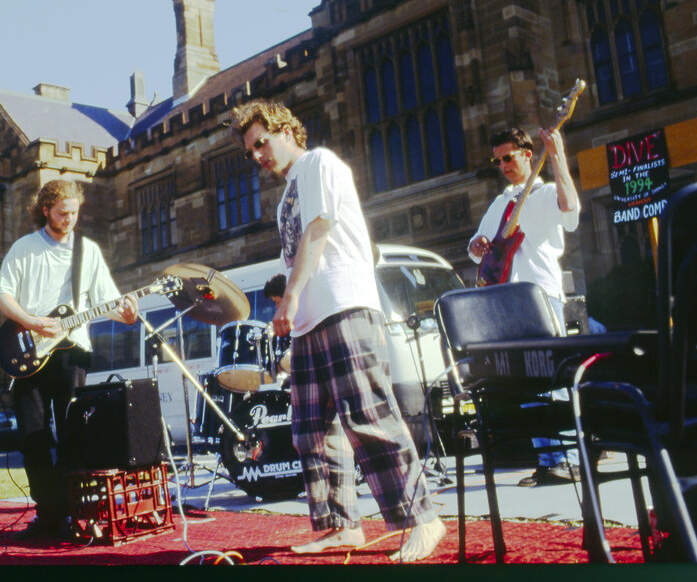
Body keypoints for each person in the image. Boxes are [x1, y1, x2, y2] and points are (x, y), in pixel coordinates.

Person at [231, 100, 445, 562]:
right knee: (311, 432)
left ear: (285, 129)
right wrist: (294, 305)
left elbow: (320, 228)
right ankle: (339, 527)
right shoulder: (287, 192)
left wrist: (289, 297)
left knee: (370, 417)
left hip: (344, 308)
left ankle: (421, 518)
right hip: (310, 322)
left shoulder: (317, 163)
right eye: (251, 152)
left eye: (261, 143)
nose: (257, 156)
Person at [0, 179, 138, 540]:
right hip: (27, 351)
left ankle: (76, 514)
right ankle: (48, 515)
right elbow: (1, 296)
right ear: (45, 210)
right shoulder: (24, 248)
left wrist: (128, 314)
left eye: (74, 212)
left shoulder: (87, 251)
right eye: (62, 212)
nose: (70, 218)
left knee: (75, 435)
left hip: (72, 352)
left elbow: (109, 301)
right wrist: (29, 321)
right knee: (33, 437)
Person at [468, 126, 582, 487]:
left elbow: (571, 211)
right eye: (497, 160)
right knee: (530, 384)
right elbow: (476, 249)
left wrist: (559, 154)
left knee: (557, 377)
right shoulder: (501, 202)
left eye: (508, 157)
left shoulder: (546, 193)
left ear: (528, 155)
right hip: (509, 301)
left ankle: (574, 458)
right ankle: (550, 460)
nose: (502, 165)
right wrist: (478, 245)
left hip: (541, 296)